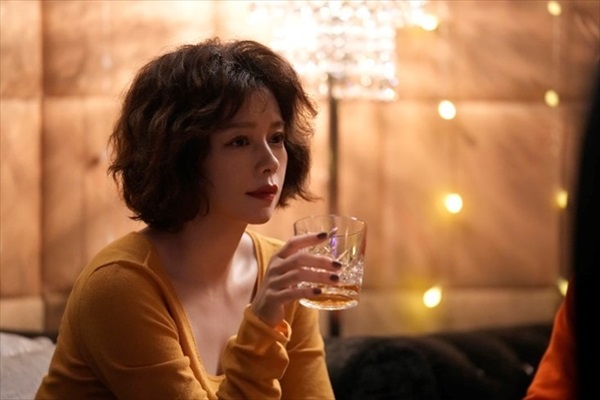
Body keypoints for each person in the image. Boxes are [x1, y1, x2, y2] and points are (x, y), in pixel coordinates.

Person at [35, 38, 339, 399]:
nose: (270, 161)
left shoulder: (282, 273)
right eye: (239, 141)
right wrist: (262, 325)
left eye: (276, 137)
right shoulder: (119, 285)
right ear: (182, 156)